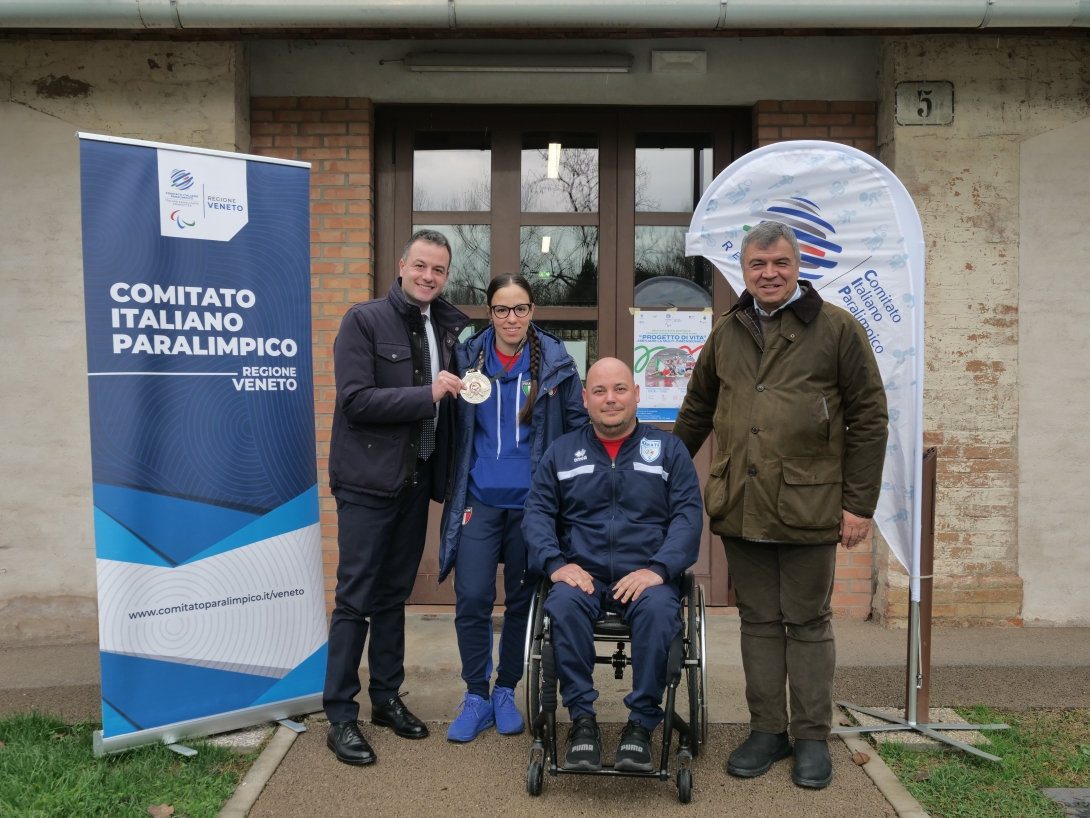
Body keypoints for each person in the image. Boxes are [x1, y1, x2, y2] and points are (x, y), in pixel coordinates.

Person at [673, 220, 888, 789]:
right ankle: (768, 729)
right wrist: (659, 473)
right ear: (743, 271)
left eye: (779, 264)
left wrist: (859, 503)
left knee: (809, 623)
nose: (769, 274)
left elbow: (869, 418)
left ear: (799, 268)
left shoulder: (838, 330)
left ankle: (812, 736)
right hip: (741, 502)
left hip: (810, 506)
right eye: (757, 265)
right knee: (758, 622)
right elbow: (696, 412)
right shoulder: (727, 331)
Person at [323, 229, 469, 766]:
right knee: (355, 598)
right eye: (421, 266)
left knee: (393, 596)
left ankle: (386, 698)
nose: (429, 277)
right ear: (403, 264)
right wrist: (428, 393)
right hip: (367, 483)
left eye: (440, 270)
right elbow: (356, 400)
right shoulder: (364, 320)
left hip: (415, 482)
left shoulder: (446, 327)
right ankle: (340, 714)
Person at [522, 358, 704, 773]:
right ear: (585, 399)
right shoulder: (562, 452)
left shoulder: (669, 451)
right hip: (581, 573)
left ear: (637, 395)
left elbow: (688, 518)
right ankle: (582, 721)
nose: (610, 399)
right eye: (600, 391)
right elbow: (536, 515)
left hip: (647, 574)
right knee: (562, 605)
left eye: (620, 389)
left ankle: (640, 725)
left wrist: (658, 569)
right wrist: (555, 564)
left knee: (660, 611)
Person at [439, 273, 587, 742]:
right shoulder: (466, 359)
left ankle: (505, 689)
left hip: (533, 507)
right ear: (490, 313)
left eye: (519, 308)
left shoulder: (557, 363)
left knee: (523, 600)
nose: (511, 318)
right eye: (501, 309)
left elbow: (579, 426)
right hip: (479, 500)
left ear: (532, 311)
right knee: (475, 597)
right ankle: (476, 696)